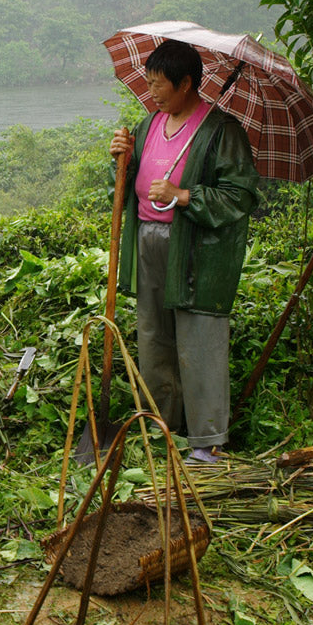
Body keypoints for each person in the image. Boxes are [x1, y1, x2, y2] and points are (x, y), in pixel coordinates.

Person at [109, 39, 260, 464]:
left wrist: (184, 196)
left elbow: (241, 194)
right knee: (154, 335)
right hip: (149, 243)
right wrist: (121, 158)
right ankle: (163, 425)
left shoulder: (221, 130)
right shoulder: (148, 124)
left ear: (186, 83)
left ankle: (207, 442)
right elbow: (129, 181)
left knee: (199, 339)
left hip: (197, 251)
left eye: (159, 84)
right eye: (149, 83)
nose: (152, 92)